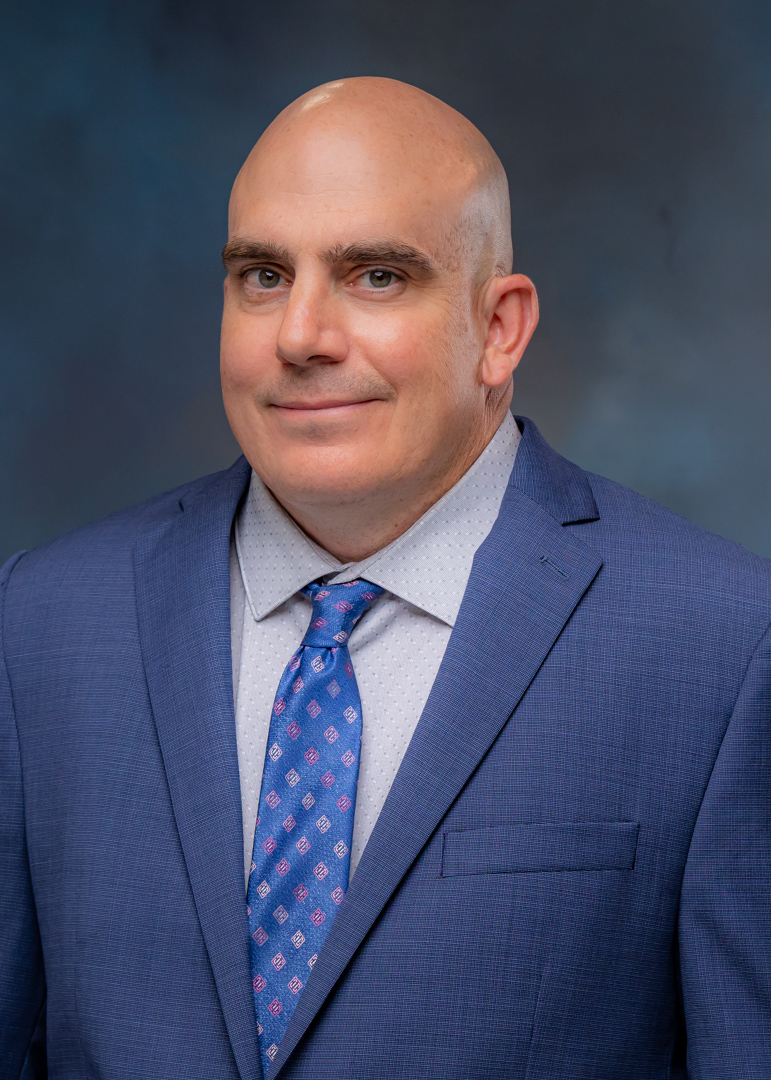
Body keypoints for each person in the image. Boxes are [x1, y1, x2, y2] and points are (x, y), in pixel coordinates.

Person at [1, 76, 770, 1080]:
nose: (299, 336)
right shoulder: (40, 625)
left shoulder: (725, 646)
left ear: (499, 329)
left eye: (374, 276)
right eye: (263, 275)